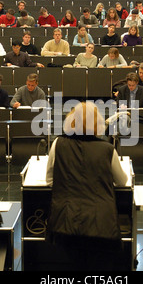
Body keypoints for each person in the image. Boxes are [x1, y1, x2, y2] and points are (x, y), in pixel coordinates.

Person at [45, 101, 128, 271]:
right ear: (98, 123)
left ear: (71, 121)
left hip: (66, 222)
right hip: (101, 223)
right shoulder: (107, 149)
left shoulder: (57, 144)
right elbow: (122, 181)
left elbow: (49, 180)